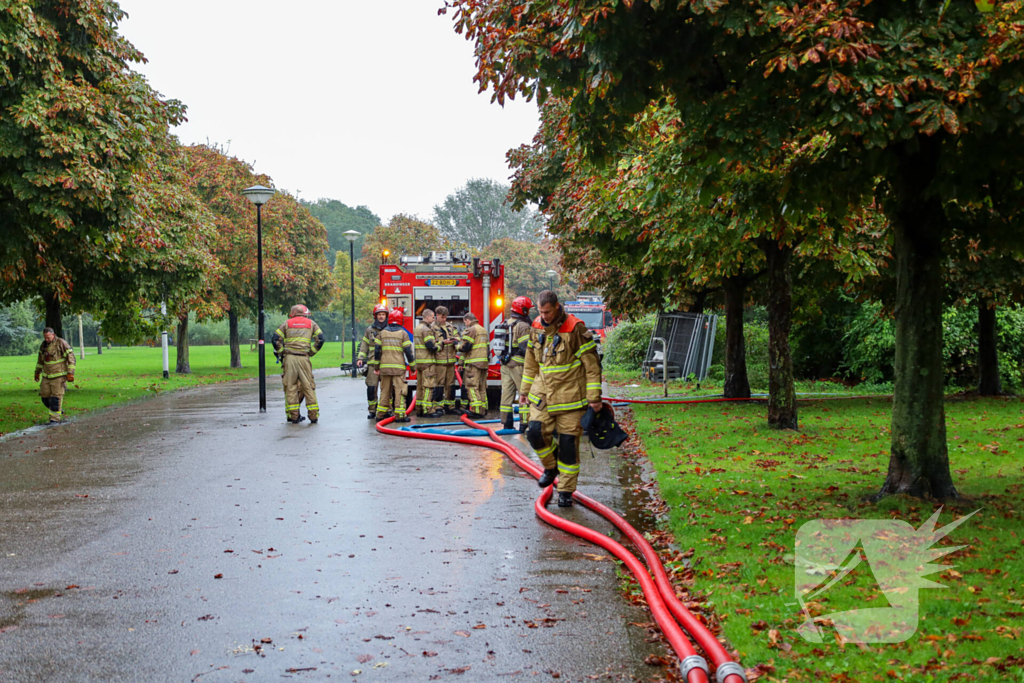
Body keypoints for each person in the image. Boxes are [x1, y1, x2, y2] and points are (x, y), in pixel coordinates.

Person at [519, 290, 603, 508]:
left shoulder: (575, 328)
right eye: (541, 312)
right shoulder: (536, 326)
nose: (544, 316)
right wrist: (524, 390)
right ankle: (550, 466)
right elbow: (530, 362)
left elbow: (592, 366)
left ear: (557, 306)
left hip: (570, 398)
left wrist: (594, 398)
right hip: (542, 394)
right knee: (535, 432)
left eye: (547, 312)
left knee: (567, 445)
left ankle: (566, 491)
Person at [271, 304, 325, 424]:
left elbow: (275, 339)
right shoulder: (311, 323)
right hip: (304, 358)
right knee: (308, 386)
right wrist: (311, 352)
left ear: (293, 313)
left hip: (289, 359)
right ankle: (313, 416)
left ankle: (294, 417)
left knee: (291, 387)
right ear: (304, 313)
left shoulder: (287, 323)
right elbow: (321, 339)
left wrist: (282, 353)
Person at [499, 296, 534, 432]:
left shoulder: (506, 322)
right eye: (528, 309)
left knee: (506, 395)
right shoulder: (523, 326)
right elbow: (526, 348)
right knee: (524, 394)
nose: (529, 312)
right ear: (523, 309)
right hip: (519, 366)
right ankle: (524, 423)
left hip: (505, 365)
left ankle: (507, 424)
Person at [374, 308, 415, 422]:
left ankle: (380, 414)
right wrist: (412, 368)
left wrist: (377, 368)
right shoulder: (403, 333)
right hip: (398, 368)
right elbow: (408, 352)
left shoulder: (382, 333)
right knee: (400, 391)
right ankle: (400, 415)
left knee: (384, 391)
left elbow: (377, 352)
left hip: (384, 368)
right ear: (401, 321)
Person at [34, 327, 75, 424]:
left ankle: (54, 420)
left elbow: (71, 358)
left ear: (53, 335)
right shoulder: (43, 345)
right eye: (45, 337)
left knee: (55, 398)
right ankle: (58, 411)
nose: (46, 339)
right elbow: (40, 361)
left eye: (48, 337)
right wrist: (37, 372)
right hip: (46, 376)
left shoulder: (61, 343)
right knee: (44, 397)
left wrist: (70, 372)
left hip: (59, 376)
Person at [357, 303, 389, 419]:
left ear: (386, 316)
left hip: (386, 363)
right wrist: (360, 358)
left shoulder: (390, 329)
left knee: (387, 389)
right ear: (375, 316)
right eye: (379, 314)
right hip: (372, 363)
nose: (381, 317)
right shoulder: (369, 330)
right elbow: (364, 344)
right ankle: (372, 410)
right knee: (371, 387)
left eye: (383, 314)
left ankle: (387, 410)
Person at [459, 312, 490, 419]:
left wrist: (456, 346)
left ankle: (476, 410)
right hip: (483, 363)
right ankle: (483, 409)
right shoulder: (483, 330)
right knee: (482, 387)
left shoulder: (471, 330)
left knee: (472, 386)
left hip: (473, 363)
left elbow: (466, 347)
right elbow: (487, 348)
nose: (465, 325)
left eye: (465, 322)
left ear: (468, 320)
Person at [413, 309, 443, 417]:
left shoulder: (417, 328)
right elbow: (431, 346)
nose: (434, 319)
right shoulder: (427, 330)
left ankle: (420, 409)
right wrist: (440, 345)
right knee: (428, 387)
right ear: (428, 317)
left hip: (420, 362)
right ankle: (427, 410)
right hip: (428, 362)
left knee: (420, 387)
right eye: (433, 317)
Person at [431, 306, 460, 414]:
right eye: (442, 317)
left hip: (451, 361)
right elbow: (431, 344)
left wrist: (454, 340)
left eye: (445, 317)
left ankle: (450, 406)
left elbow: (458, 337)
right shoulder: (432, 328)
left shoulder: (450, 327)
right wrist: (443, 342)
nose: (444, 319)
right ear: (437, 315)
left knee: (450, 384)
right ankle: (438, 407)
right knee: (439, 384)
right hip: (439, 361)